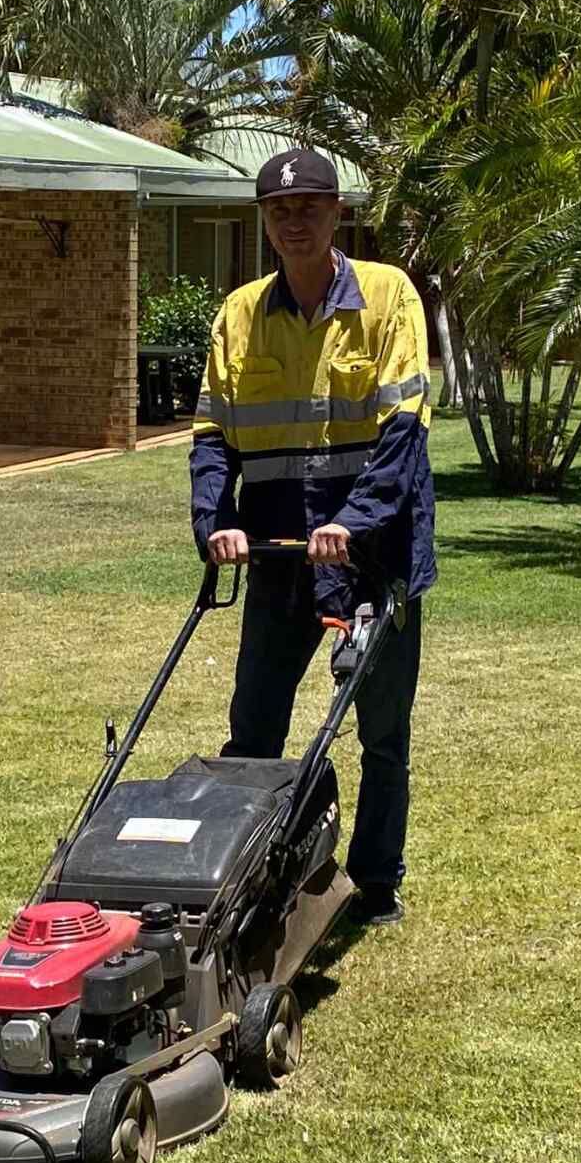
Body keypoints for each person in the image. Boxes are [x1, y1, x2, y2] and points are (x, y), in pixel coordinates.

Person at [189, 147, 436, 927]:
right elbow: (211, 437)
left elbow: (403, 434)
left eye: (310, 207)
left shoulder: (389, 298)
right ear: (264, 220)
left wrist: (352, 522)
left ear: (337, 214)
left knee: (381, 731)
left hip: (374, 553)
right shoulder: (239, 315)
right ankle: (245, 880)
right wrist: (216, 522)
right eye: (278, 210)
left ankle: (376, 881)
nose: (293, 221)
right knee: (254, 726)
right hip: (277, 557)